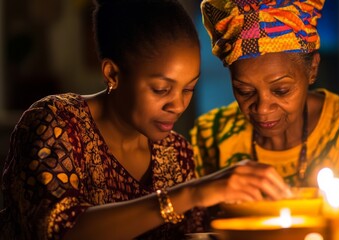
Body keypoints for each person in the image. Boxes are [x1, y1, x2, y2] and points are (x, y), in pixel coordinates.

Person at [0, 0, 290, 239]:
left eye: (188, 88)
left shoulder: (175, 153)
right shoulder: (56, 123)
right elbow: (57, 231)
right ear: (113, 74)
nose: (177, 104)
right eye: (161, 89)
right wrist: (191, 193)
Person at [191, 0, 339, 199]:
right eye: (244, 91)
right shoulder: (211, 135)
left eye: (281, 90)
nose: (262, 109)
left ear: (312, 70)